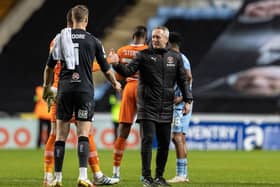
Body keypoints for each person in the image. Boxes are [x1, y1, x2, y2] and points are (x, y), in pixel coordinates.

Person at [43, 5, 121, 187]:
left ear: (70, 20)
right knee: (84, 134)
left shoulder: (58, 39)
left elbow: (51, 67)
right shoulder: (93, 40)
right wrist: (112, 73)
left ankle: (54, 177)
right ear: (85, 20)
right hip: (83, 89)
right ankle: (86, 175)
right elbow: (85, 65)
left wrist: (46, 88)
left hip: (60, 90)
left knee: (57, 135)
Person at [108, 26, 193, 187]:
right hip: (147, 106)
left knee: (163, 144)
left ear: (166, 39)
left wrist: (187, 100)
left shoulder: (175, 57)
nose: (154, 40)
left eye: (158, 37)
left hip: (166, 107)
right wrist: (117, 64)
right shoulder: (143, 55)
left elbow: (183, 80)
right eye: (153, 37)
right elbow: (127, 71)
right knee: (147, 141)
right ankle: (146, 177)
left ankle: (159, 177)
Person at [111, 25, 148, 181]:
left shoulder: (122, 51)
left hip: (129, 89)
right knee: (146, 132)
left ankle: (116, 172)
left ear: (133, 36)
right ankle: (145, 174)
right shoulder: (148, 51)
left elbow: (119, 77)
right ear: (145, 37)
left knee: (123, 132)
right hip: (144, 89)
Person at [166, 32, 192, 183]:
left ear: (168, 42)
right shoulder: (181, 57)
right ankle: (183, 173)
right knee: (179, 137)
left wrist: (183, 99)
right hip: (181, 102)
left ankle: (181, 174)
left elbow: (189, 78)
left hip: (180, 104)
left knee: (177, 138)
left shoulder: (180, 58)